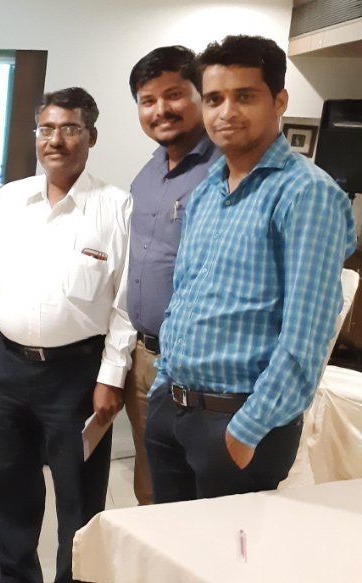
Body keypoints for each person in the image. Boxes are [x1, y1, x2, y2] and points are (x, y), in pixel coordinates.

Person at [145, 35, 355, 503]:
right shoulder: (207, 190)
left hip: (237, 422)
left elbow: (307, 335)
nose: (226, 112)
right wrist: (162, 389)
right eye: (214, 99)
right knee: (168, 545)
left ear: (279, 100)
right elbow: (186, 297)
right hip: (173, 408)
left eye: (245, 96)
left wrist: (247, 430)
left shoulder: (306, 193)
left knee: (226, 549)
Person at [0, 87, 133, 583]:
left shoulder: (116, 207)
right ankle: (17, 576)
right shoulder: (8, 200)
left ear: (91, 136)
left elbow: (125, 302)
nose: (55, 140)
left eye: (69, 129)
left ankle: (74, 578)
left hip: (76, 376)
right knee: (7, 487)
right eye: (46, 129)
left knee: (78, 495)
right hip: (5, 367)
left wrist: (112, 375)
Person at [124, 45, 217, 506]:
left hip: (199, 364)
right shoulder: (148, 173)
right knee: (151, 483)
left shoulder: (225, 170)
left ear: (202, 95)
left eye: (174, 94)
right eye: (147, 100)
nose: (160, 109)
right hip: (143, 356)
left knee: (198, 493)